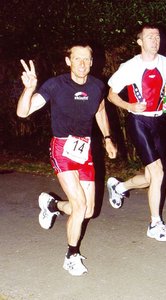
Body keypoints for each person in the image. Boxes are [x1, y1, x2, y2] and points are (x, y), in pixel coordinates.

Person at [16, 42, 117, 276]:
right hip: (62, 147)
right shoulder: (55, 85)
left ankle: (53, 205)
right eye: (77, 59)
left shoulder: (97, 86)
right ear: (68, 61)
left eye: (86, 59)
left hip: (85, 148)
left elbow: (100, 111)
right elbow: (23, 112)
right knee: (80, 206)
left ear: (92, 62)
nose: (82, 64)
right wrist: (29, 88)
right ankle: (71, 255)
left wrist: (108, 138)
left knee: (88, 210)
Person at [107, 24, 166, 242]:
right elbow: (111, 95)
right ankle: (155, 224)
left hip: (159, 122)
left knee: (151, 177)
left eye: (157, 37)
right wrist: (129, 106)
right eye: (149, 37)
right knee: (158, 172)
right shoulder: (129, 67)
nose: (155, 40)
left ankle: (120, 187)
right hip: (138, 121)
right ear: (140, 42)